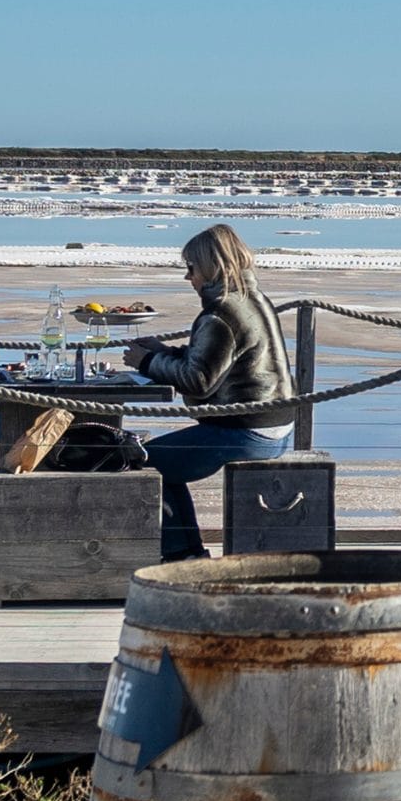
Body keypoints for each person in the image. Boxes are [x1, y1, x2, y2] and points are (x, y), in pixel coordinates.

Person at [124, 224, 295, 560]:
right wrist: (167, 352)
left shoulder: (220, 313)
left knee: (141, 461)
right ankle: (187, 552)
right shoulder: (253, 298)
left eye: (191, 268)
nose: (188, 278)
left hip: (245, 432)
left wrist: (147, 362)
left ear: (210, 267)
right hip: (276, 426)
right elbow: (217, 361)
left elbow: (199, 381)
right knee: (159, 463)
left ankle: (181, 554)